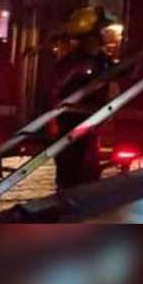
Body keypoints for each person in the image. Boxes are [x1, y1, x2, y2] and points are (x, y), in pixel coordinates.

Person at [50, 28, 113, 191]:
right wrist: (75, 70)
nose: (92, 47)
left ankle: (86, 190)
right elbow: (55, 81)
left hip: (92, 117)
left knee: (90, 160)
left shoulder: (104, 61)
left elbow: (120, 75)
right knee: (69, 160)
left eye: (95, 43)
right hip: (71, 117)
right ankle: (65, 189)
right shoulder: (71, 60)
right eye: (88, 43)